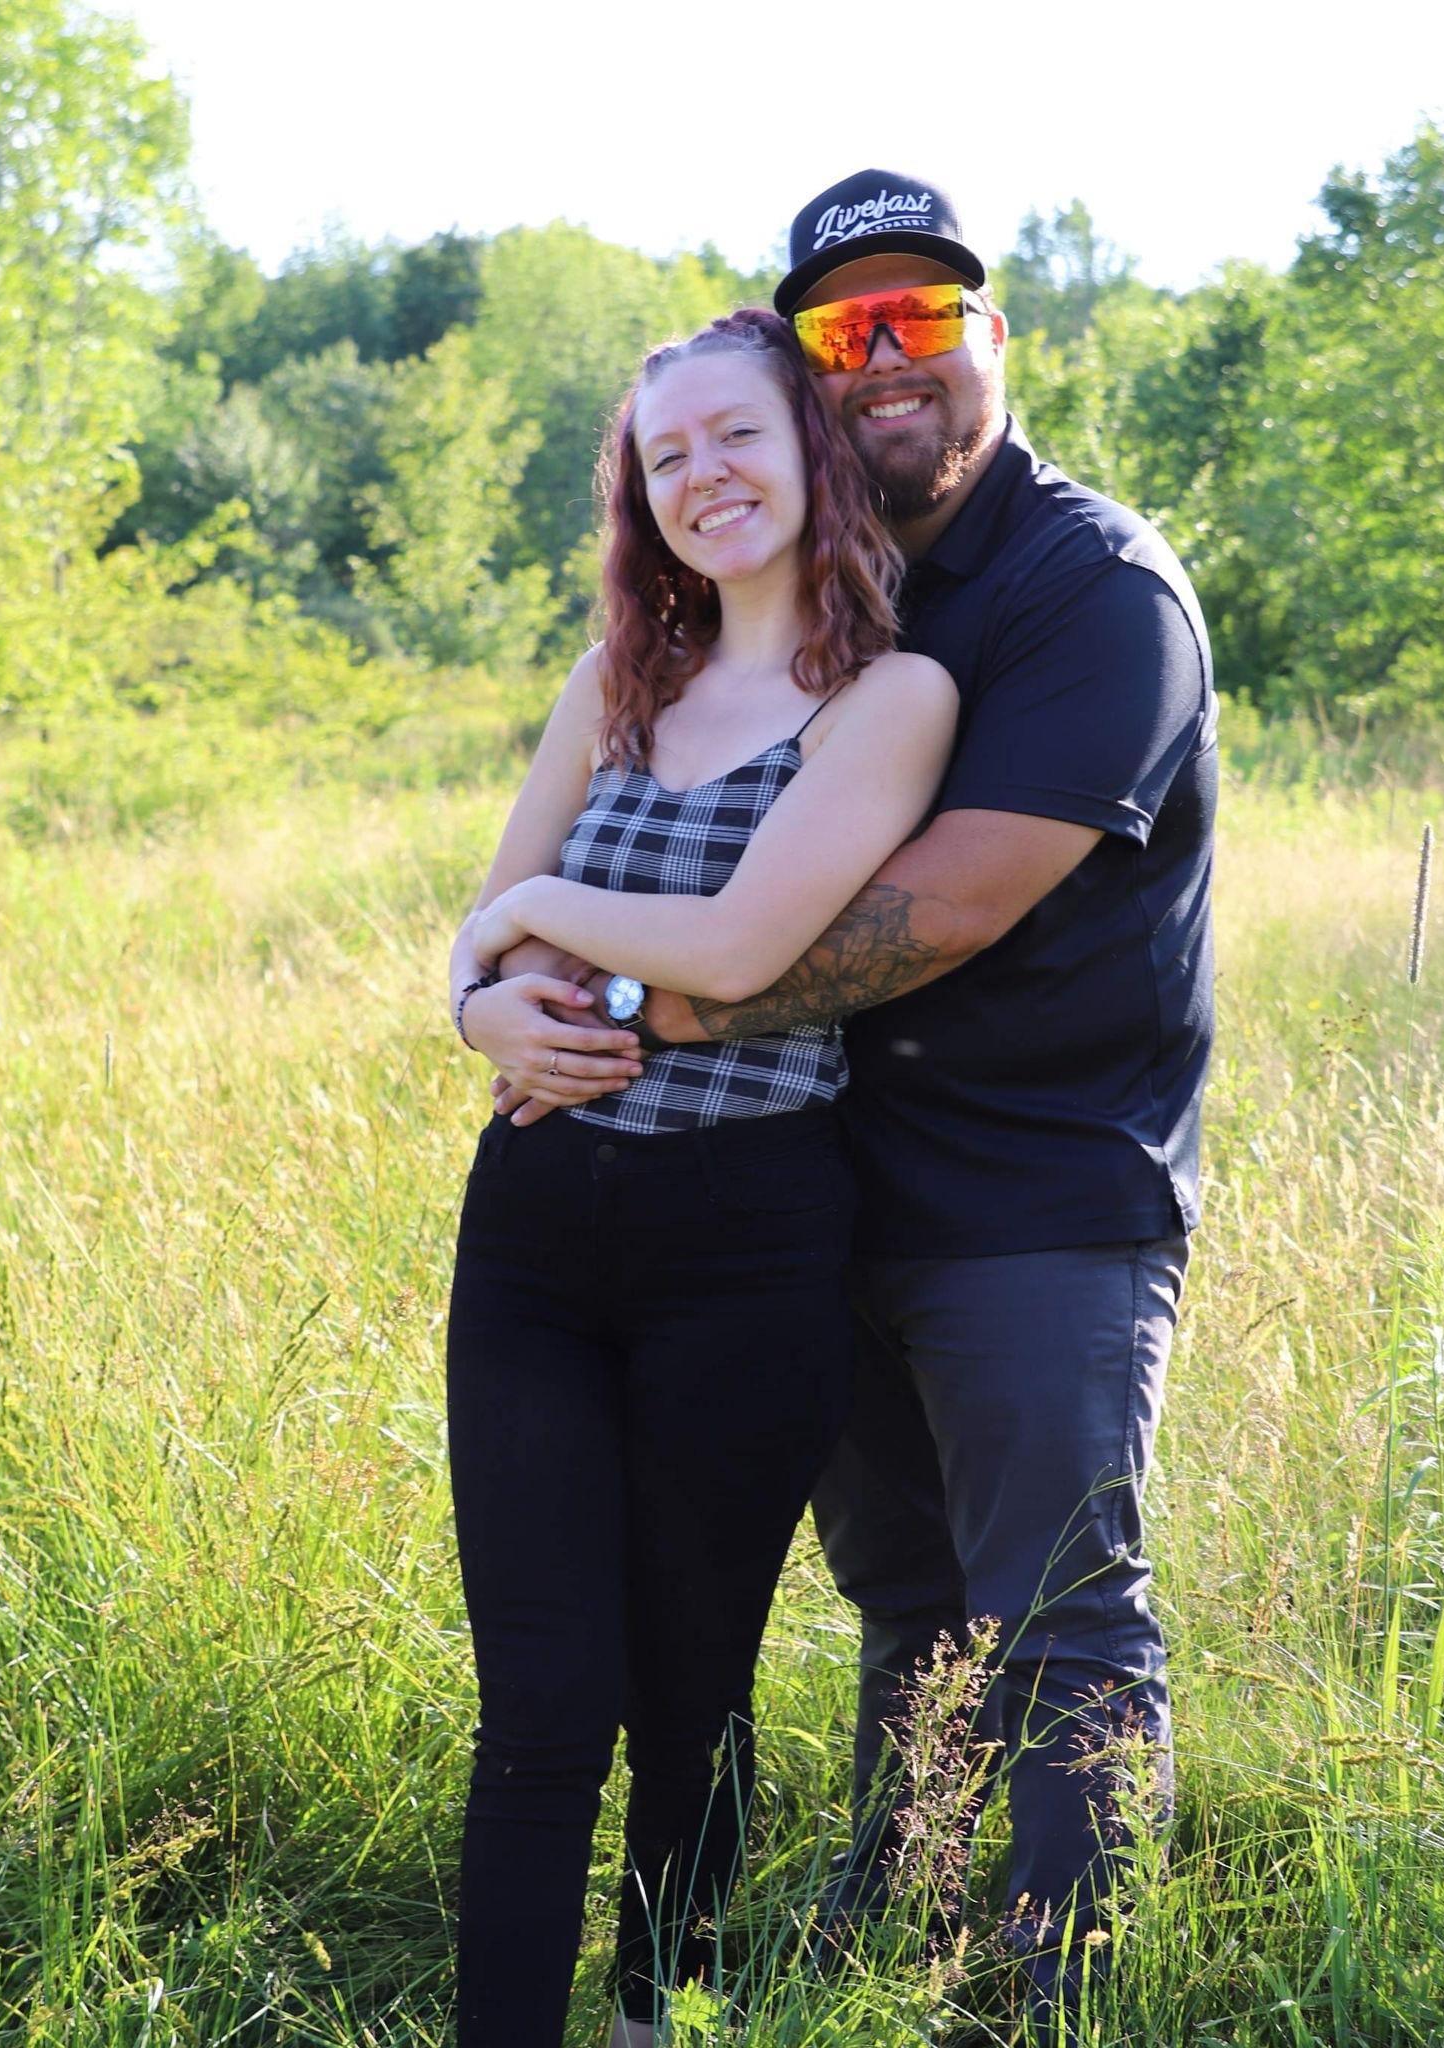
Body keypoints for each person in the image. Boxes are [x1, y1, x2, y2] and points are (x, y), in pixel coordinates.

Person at [486, 171, 1217, 2016]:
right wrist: (497, 1002)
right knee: (907, 1603)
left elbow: (937, 911)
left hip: (1035, 1196)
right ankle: (898, 1934)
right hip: (819, 1187)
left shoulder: (1090, 591)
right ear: (809, 376)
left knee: (1056, 1617)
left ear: (996, 337)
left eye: (924, 315)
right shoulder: (818, 585)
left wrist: (614, 1009)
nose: (888, 358)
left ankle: (1044, 2001)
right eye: (843, 327)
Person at [443, 306, 957, 2047]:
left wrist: (534, 925)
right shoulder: (616, 681)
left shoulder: (890, 700)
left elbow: (740, 948)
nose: (703, 475)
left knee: (691, 1693)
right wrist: (479, 1006)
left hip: (749, 1242)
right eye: (665, 456)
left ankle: (657, 2015)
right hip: (535, 1232)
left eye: (735, 434)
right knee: (541, 1703)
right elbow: (479, 954)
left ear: (811, 447)